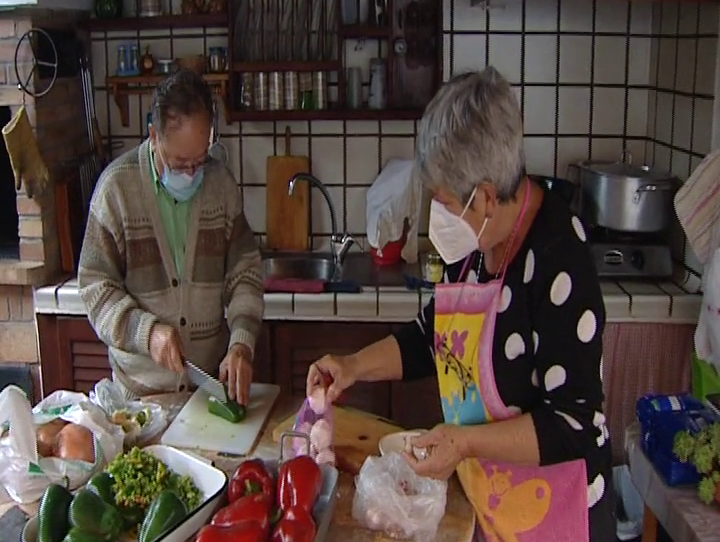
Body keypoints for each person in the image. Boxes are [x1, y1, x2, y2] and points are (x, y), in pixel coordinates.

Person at [306, 67, 614, 541]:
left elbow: (572, 424)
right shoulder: (474, 245)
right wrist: (352, 366)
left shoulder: (557, 257)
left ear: (486, 196)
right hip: (487, 504)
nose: (439, 215)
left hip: (552, 517)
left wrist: (464, 441)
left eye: (446, 202)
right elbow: (433, 337)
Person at [78, 69, 264, 405]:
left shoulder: (220, 186)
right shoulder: (116, 190)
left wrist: (241, 343)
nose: (192, 173)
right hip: (139, 398)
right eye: (180, 162)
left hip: (207, 393)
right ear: (153, 134)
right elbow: (96, 289)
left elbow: (245, 274)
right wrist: (146, 333)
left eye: (200, 161)